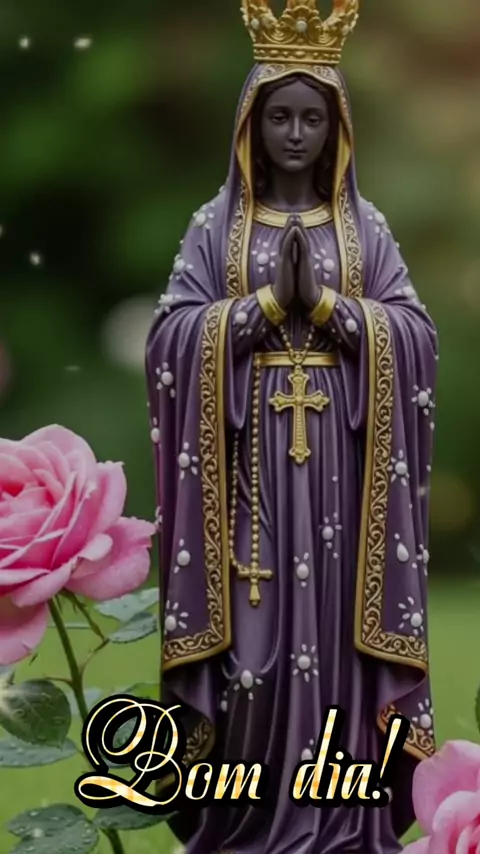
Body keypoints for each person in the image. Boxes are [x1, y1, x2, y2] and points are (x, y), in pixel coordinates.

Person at [145, 2, 438, 851]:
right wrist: (269, 306)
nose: (297, 134)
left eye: (313, 117)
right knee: (253, 654)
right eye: (281, 117)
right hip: (249, 477)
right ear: (251, 123)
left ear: (338, 124)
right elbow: (170, 339)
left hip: (344, 476)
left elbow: (416, 336)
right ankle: (245, 825)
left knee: (338, 642)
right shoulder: (215, 228)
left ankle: (341, 823)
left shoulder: (366, 230)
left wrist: (338, 311)